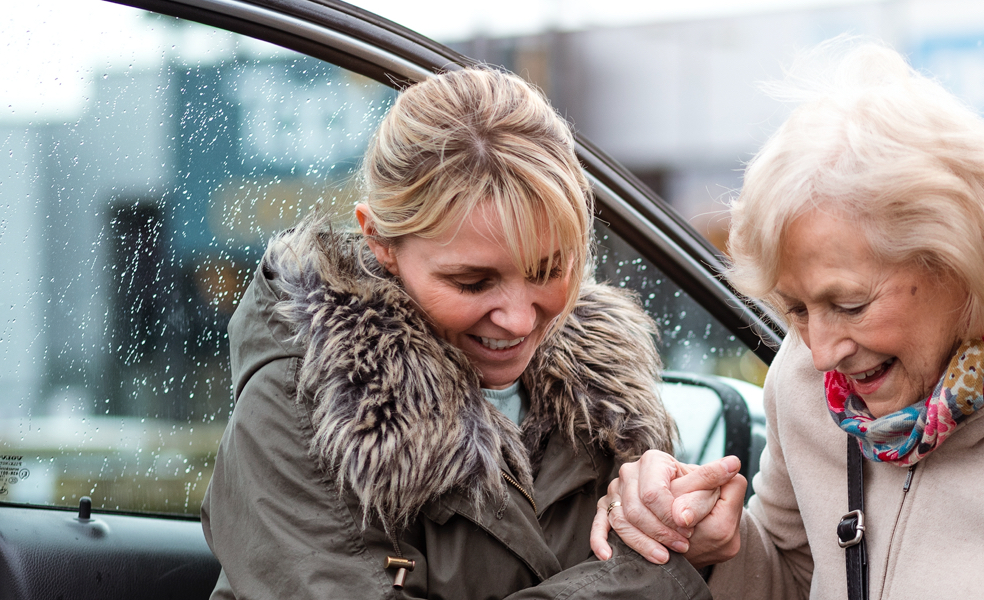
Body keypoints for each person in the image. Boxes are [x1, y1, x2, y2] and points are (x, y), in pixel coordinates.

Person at [591, 40, 984, 599]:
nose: (820, 352)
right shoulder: (809, 384)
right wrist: (706, 549)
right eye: (796, 308)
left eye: (850, 304)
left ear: (965, 256)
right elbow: (797, 575)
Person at [201, 68, 711, 599]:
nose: (517, 319)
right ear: (380, 240)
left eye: (548, 271)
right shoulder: (304, 400)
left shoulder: (607, 401)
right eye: (473, 281)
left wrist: (679, 518)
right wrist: (657, 573)